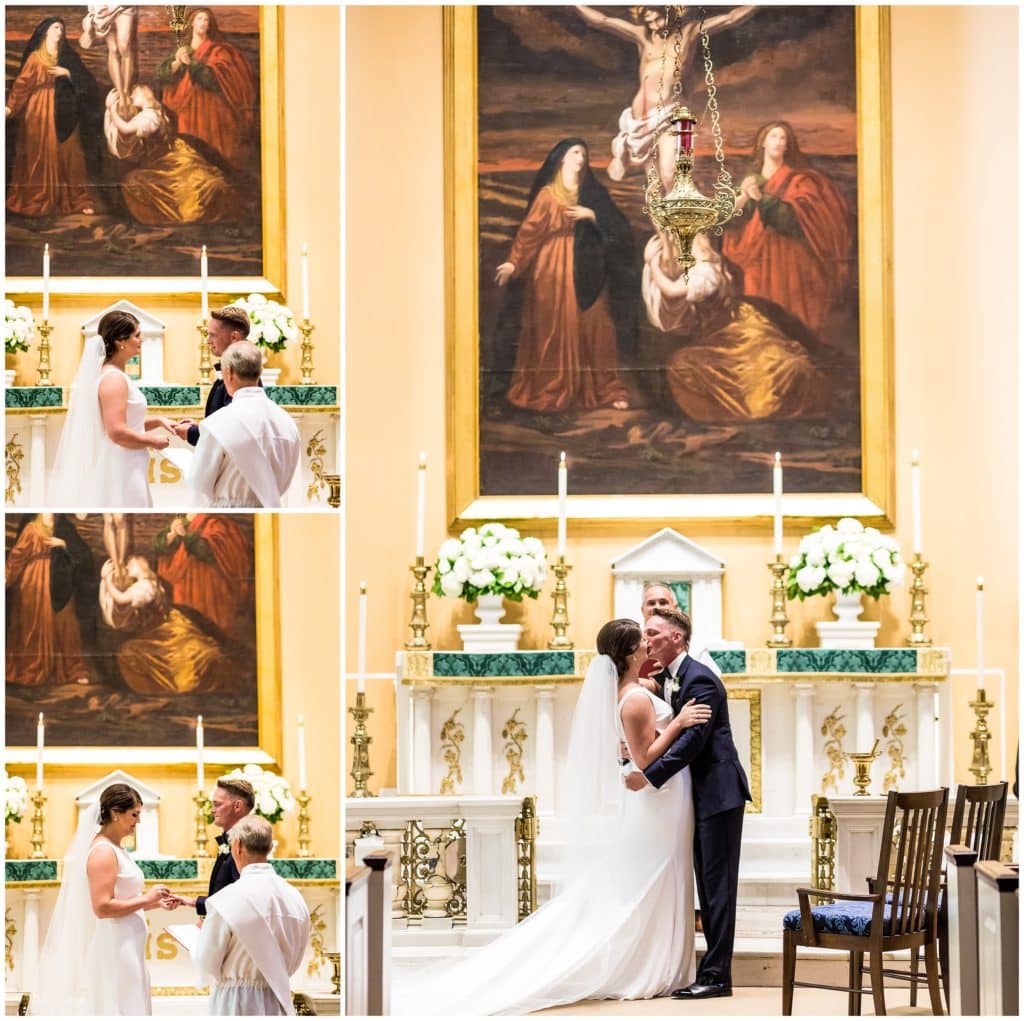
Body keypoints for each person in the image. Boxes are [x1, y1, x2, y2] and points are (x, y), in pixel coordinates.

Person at [393, 618, 711, 1015]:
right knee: (657, 873)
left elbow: (636, 745)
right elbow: (645, 757)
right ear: (629, 654)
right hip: (658, 801)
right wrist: (679, 722)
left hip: (661, 800)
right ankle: (648, 965)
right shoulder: (634, 700)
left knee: (663, 873)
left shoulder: (631, 691)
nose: (648, 645)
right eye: (641, 642)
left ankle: (660, 959)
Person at [625, 607, 751, 999]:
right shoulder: (669, 679)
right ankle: (711, 971)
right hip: (699, 797)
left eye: (654, 634)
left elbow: (691, 743)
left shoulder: (702, 680)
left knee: (717, 887)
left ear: (677, 638)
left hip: (719, 794)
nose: (647, 642)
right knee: (707, 883)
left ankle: (716, 976)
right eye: (645, 635)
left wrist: (649, 776)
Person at [495, 138, 634, 412]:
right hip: (551, 269)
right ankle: (552, 388)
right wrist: (513, 263)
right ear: (561, 158)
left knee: (597, 327)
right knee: (553, 327)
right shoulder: (548, 195)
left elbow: (619, 227)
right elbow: (528, 233)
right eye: (575, 153)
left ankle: (605, 389)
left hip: (588, 267)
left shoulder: (593, 193)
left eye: (583, 153)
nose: (580, 158)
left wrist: (592, 215)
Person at [643, 229, 828, 421]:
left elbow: (673, 292)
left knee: (772, 369)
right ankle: (736, 414)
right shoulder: (695, 271)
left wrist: (652, 263)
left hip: (742, 331)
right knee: (681, 364)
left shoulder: (707, 272)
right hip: (718, 341)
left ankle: (767, 407)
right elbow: (671, 310)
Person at [575, 6, 755, 186]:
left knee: (669, 174)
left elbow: (731, 18)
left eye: (658, 19)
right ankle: (649, 200)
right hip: (641, 120)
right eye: (649, 21)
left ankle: (671, 207)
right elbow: (602, 21)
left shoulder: (689, 32)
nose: (654, 26)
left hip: (670, 114)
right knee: (653, 184)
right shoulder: (642, 35)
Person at [35, 783, 170, 1015]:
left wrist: (153, 903)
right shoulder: (102, 852)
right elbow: (102, 907)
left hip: (129, 945)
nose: (138, 821)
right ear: (116, 813)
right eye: (134, 814)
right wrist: (146, 900)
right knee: (121, 1007)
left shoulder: (116, 848)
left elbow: (124, 900)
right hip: (116, 946)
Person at [722, 120, 852, 336]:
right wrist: (743, 199)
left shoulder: (800, 181)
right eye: (773, 136)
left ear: (788, 146)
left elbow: (796, 221)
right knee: (758, 323)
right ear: (762, 142)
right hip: (757, 261)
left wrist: (761, 199)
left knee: (790, 322)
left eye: (783, 138)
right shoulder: (749, 181)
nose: (778, 142)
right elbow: (729, 221)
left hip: (791, 264)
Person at [49, 310, 174, 508]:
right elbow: (116, 432)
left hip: (129, 459)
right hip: (122, 464)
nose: (141, 340)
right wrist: (154, 441)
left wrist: (159, 421)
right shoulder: (114, 379)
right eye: (137, 335)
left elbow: (125, 423)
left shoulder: (116, 375)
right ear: (120, 341)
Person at [193, 815, 311, 1016]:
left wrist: (197, 940)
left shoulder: (227, 899)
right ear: (270, 846)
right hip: (278, 999)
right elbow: (296, 957)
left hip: (235, 1004)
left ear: (237, 846)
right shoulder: (295, 897)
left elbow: (206, 964)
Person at [5, 17, 100, 217]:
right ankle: (36, 198)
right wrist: (9, 108)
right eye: (56, 27)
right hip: (37, 111)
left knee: (71, 155)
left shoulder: (68, 57)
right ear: (46, 31)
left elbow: (87, 82)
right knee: (37, 155)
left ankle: (77, 199)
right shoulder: (35, 57)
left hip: (64, 111)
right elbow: (22, 86)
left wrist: (67, 73)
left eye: (62, 28)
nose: (60, 31)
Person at [189, 340, 300, 507]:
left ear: (229, 373)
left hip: (230, 514)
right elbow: (287, 478)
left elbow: (200, 485)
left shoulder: (218, 423)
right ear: (260, 371)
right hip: (271, 510)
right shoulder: (287, 422)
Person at [104, 83, 235, 224]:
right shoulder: (156, 111)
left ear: (143, 94)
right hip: (174, 154)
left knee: (133, 181)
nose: (131, 97)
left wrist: (111, 108)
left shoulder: (149, 117)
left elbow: (125, 129)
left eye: (134, 93)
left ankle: (182, 214)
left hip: (169, 161)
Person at [156, 7, 257, 170]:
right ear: (191, 23)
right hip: (187, 110)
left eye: (206, 20)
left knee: (211, 153)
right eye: (199, 19)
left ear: (210, 25)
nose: (203, 23)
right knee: (189, 155)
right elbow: (162, 75)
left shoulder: (219, 51)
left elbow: (213, 80)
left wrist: (191, 63)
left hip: (211, 110)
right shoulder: (182, 50)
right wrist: (176, 63)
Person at [5, 514, 91, 687]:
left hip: (60, 580)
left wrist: (64, 544)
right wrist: (6, 577)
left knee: (67, 624)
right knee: (33, 624)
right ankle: (32, 667)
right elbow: (17, 556)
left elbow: (83, 554)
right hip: (33, 582)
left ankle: (72, 669)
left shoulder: (65, 527)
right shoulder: (31, 528)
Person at [162, 778, 253, 917]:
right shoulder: (230, 840)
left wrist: (195, 902)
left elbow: (239, 901)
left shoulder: (246, 845)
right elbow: (223, 893)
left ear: (237, 806)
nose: (212, 810)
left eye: (217, 804)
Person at [153, 513, 252, 636]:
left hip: (208, 589)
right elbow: (157, 546)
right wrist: (172, 535)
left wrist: (186, 535)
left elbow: (210, 553)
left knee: (208, 632)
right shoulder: (180, 521)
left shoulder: (217, 523)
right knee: (183, 630)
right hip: (182, 588)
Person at [173, 306, 254, 446]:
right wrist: (200, 427)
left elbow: (232, 431)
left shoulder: (241, 375)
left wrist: (191, 433)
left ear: (234, 336)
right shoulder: (232, 369)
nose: (208, 341)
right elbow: (222, 419)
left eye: (213, 335)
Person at [79, 6, 138, 117]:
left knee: (124, 45)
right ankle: (121, 94)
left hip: (122, 5)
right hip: (102, 7)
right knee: (113, 48)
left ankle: (126, 91)